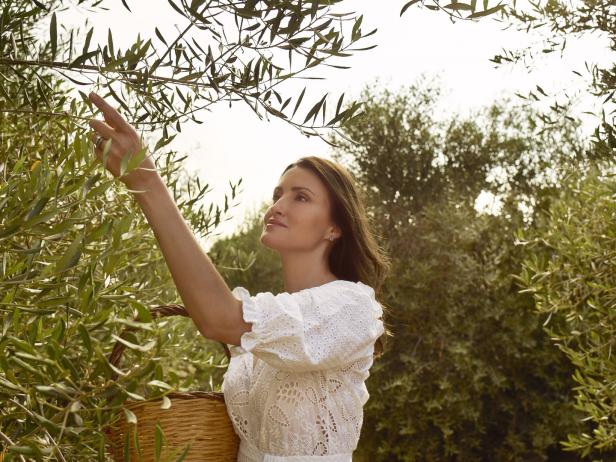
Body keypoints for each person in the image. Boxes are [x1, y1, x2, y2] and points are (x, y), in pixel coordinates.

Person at [87, 91, 392, 461]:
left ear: (335, 228)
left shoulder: (352, 307)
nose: (277, 206)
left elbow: (218, 317)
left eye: (300, 197)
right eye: (278, 194)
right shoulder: (266, 327)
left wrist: (147, 182)